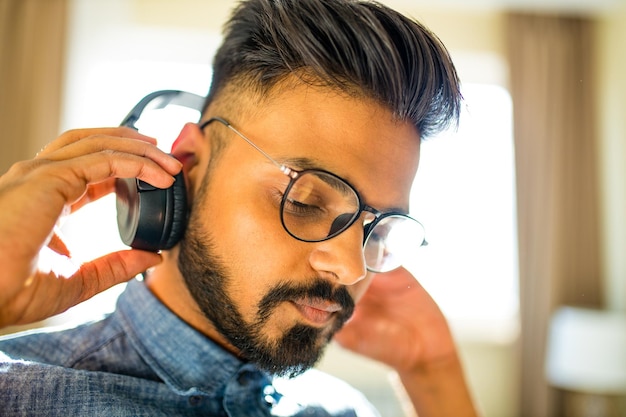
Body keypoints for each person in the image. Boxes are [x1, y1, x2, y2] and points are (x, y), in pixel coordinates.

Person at [0, 0, 479, 415]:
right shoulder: (17, 396)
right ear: (187, 163)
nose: (352, 267)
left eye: (377, 229)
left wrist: (434, 373)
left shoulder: (346, 411)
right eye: (308, 200)